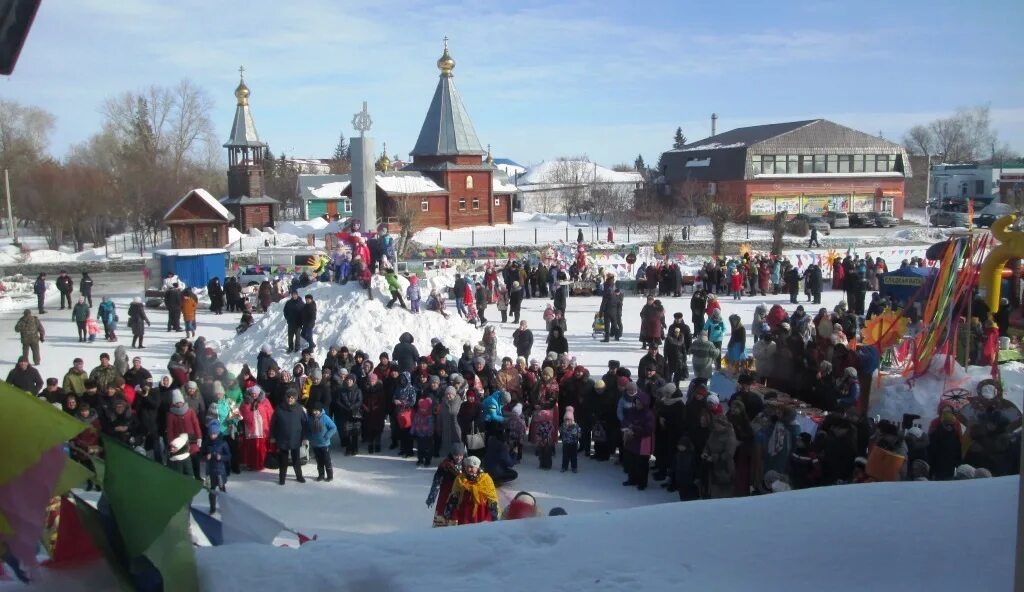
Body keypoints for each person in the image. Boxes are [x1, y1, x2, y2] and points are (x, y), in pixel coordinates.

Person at [442, 456, 500, 525]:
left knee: (481, 528)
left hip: (481, 510)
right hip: (465, 510)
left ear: (477, 467)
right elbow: (454, 494)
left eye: (472, 467)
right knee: (465, 528)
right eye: (468, 467)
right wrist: (450, 507)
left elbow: (492, 495)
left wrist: (494, 509)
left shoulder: (485, 479)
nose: (470, 469)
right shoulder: (460, 479)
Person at [270, 389, 308, 485]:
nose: (290, 399)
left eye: (292, 398)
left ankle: (299, 476)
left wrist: (304, 437)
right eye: (288, 397)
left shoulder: (299, 409)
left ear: (295, 398)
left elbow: (304, 424)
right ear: (285, 397)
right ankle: (282, 478)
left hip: (296, 437)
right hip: (282, 438)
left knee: (296, 459)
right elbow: (273, 424)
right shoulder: (279, 408)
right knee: (283, 460)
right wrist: (272, 436)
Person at [426, 443, 465, 527]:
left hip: (459, 494)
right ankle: (440, 529)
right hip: (446, 493)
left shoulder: (466, 465)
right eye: (456, 455)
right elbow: (436, 481)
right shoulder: (444, 465)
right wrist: (432, 495)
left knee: (457, 513)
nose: (458, 458)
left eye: (460, 455)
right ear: (452, 454)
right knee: (442, 511)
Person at [165, 389, 202, 477]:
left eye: (180, 402)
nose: (179, 404)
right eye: (177, 402)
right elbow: (170, 430)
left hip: (191, 439)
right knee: (183, 462)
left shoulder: (190, 411)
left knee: (195, 459)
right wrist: (172, 443)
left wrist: (199, 437)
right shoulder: (171, 414)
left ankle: (197, 477)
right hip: (179, 442)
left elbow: (196, 424)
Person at [239, 386, 274, 471]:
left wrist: (271, 425)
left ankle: (261, 464)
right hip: (250, 429)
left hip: (262, 429)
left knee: (261, 447)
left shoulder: (265, 401)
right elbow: (241, 413)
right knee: (251, 447)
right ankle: (250, 464)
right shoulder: (245, 402)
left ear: (259, 393)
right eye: (252, 393)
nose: (254, 395)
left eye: (256, 393)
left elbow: (270, 414)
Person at [203, 420, 231, 513]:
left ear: (218, 433)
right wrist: (206, 457)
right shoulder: (206, 443)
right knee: (211, 491)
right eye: (211, 434)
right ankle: (212, 507)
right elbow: (201, 455)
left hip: (220, 471)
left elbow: (229, 456)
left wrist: (221, 457)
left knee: (222, 489)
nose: (212, 436)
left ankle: (225, 506)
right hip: (210, 471)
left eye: (214, 434)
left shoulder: (223, 443)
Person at [308, 403, 337, 481]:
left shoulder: (325, 418)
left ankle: (330, 476)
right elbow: (308, 430)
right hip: (315, 444)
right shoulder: (310, 419)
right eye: (314, 410)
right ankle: (321, 475)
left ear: (320, 411)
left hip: (324, 444)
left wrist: (327, 436)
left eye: (317, 410)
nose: (315, 412)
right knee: (319, 461)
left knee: (326, 460)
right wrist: (309, 437)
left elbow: (333, 427)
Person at [561, 405, 581, 473]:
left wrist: (577, 435)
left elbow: (579, 433)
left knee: (574, 456)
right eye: (566, 419)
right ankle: (564, 467)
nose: (567, 422)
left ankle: (574, 467)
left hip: (573, 443)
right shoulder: (563, 425)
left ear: (572, 419)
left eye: (569, 420)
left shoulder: (575, 425)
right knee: (565, 456)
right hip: (566, 443)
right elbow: (561, 432)